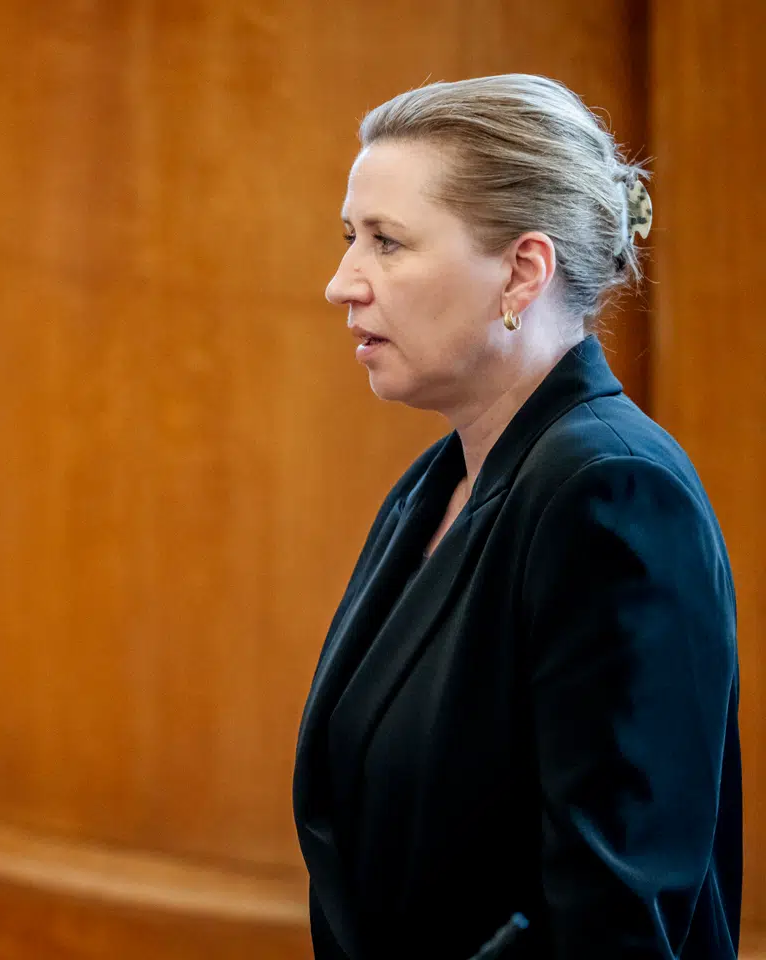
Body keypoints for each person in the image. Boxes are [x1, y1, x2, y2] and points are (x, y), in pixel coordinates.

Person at [294, 75, 740, 959]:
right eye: (352, 237)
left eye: (388, 243)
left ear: (523, 271)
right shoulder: (439, 480)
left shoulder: (611, 494)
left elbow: (614, 918)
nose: (342, 282)